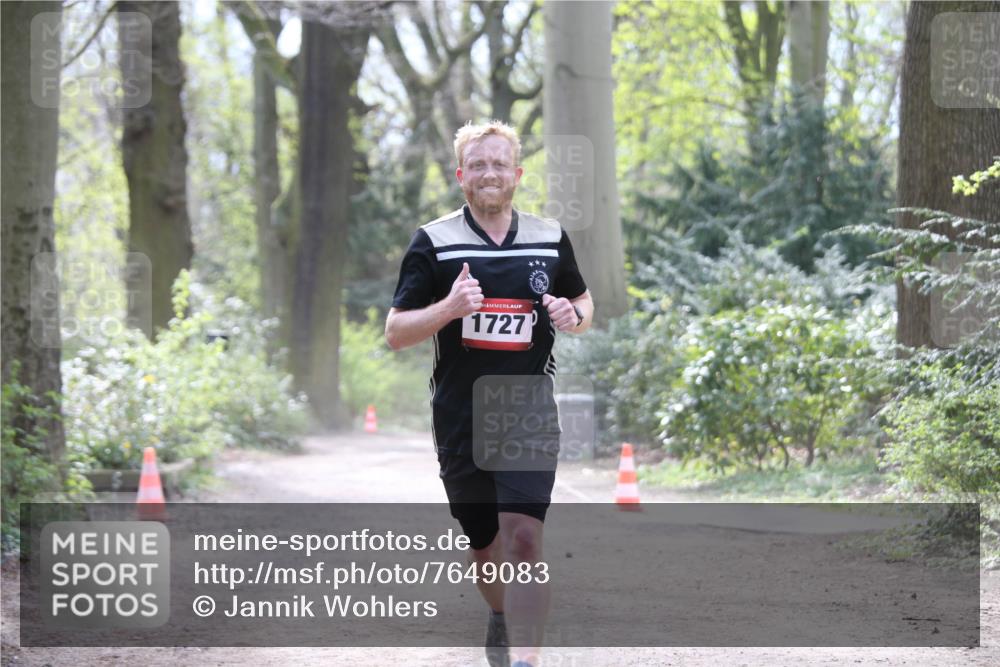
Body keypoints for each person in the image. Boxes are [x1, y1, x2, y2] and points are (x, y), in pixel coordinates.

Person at [385, 120, 593, 667]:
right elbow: (395, 332)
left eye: (500, 163)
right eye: (477, 165)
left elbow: (583, 301)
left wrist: (574, 316)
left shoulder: (549, 238)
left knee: (524, 538)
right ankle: (501, 616)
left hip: (526, 411)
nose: (489, 173)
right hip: (460, 416)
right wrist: (449, 309)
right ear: (461, 176)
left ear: (518, 173)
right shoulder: (433, 242)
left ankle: (526, 659)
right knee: (485, 545)